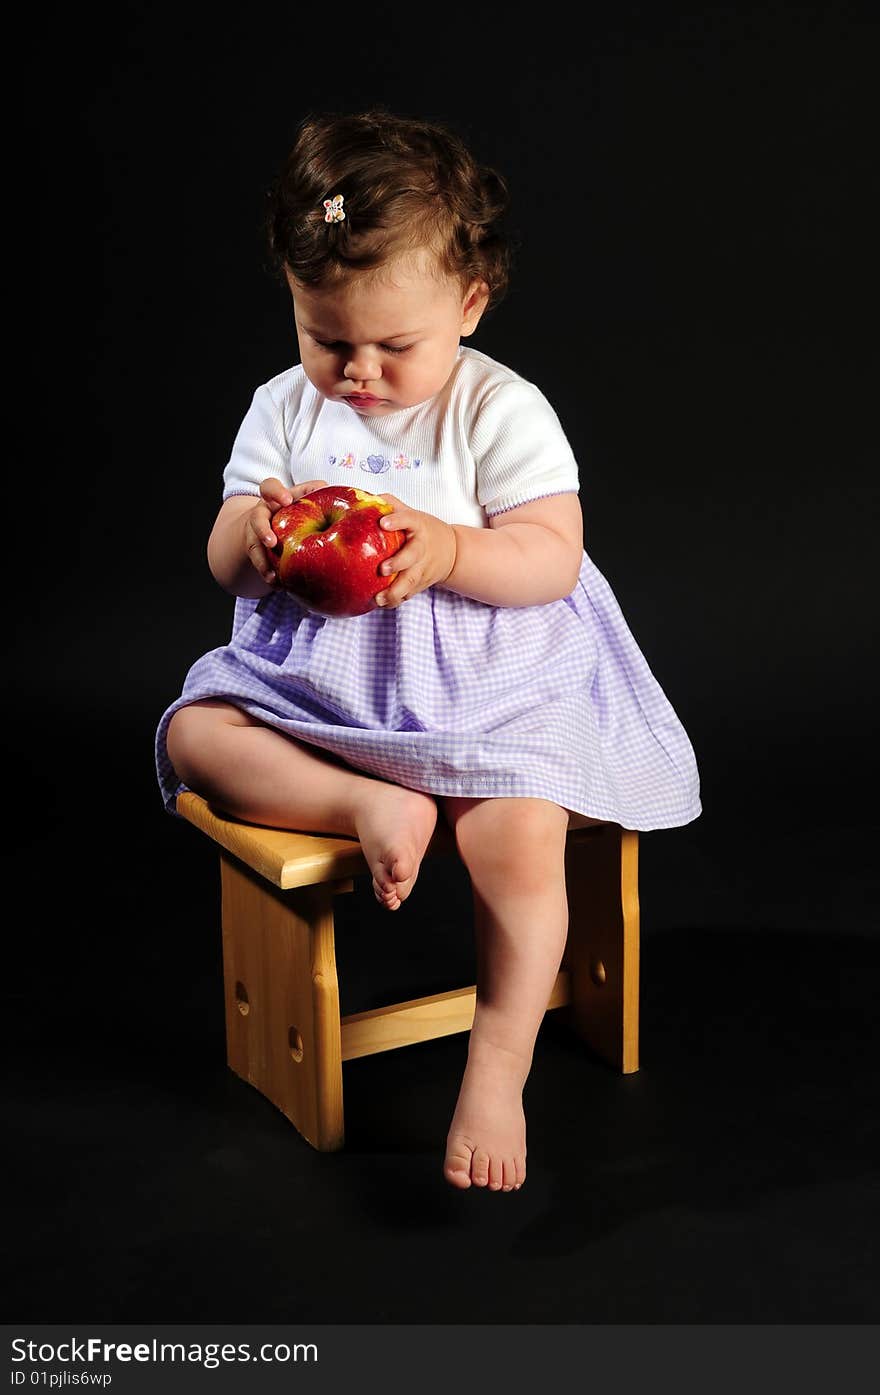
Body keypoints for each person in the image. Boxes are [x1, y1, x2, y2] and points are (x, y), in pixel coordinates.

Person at [156, 108, 701, 1194]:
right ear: (296, 309)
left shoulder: (497, 409)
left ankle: (497, 1062)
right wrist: (254, 542)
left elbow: (550, 558)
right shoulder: (282, 409)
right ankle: (368, 804)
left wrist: (452, 548)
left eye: (392, 346)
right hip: (318, 682)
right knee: (195, 734)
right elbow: (222, 555)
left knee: (520, 832)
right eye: (326, 339)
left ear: (467, 304)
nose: (356, 372)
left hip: (486, 688)